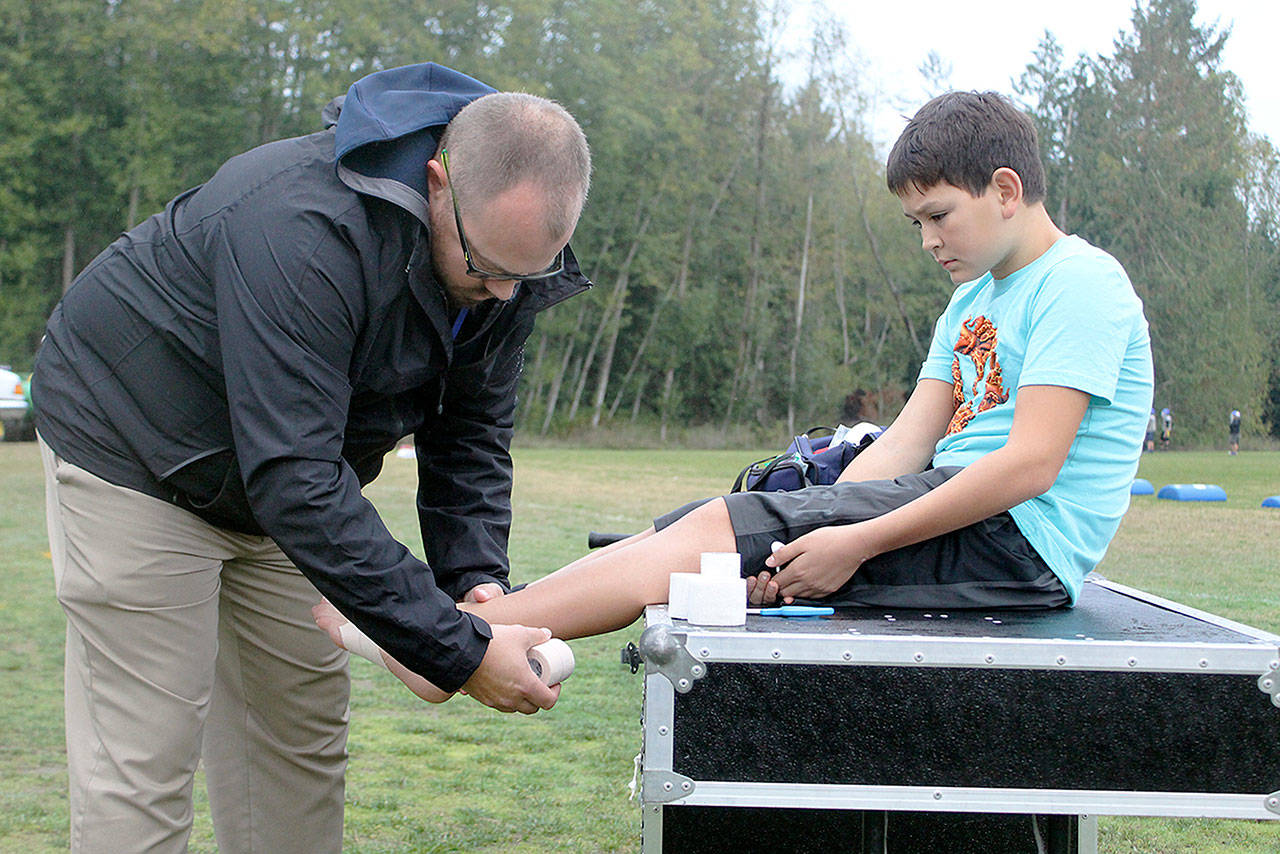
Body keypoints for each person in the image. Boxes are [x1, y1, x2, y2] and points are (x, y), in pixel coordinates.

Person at [315, 90, 1155, 705]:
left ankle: (449, 643)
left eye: (939, 217)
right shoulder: (970, 301)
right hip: (952, 512)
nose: (930, 241)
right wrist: (811, 525)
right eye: (917, 225)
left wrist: (853, 540)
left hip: (1018, 545)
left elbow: (1030, 465)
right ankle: (478, 627)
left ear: (1006, 190)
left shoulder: (1081, 284)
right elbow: (902, 446)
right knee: (704, 529)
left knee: (722, 533)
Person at [32, 62, 591, 854]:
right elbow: (294, 475)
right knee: (146, 760)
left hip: (284, 483)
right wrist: (459, 653)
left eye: (525, 277)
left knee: (296, 747)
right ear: (438, 180)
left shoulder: (509, 245)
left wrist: (475, 582)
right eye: (487, 269)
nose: (505, 296)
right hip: (133, 449)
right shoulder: (302, 226)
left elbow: (469, 430)